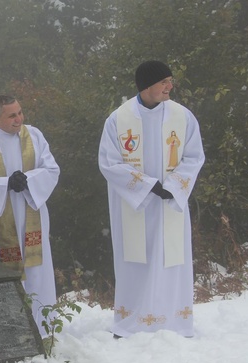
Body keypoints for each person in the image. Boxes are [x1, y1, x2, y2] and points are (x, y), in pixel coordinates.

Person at [98, 60, 205, 337]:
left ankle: (174, 322)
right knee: (137, 260)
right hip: (134, 206)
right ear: (147, 86)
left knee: (171, 260)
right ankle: (130, 322)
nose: (170, 86)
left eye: (170, 81)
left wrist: (175, 185)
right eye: (164, 82)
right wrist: (146, 186)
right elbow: (109, 163)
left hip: (171, 203)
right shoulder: (118, 120)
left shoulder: (183, 117)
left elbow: (194, 156)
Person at [0, 95, 60, 336]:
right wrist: (5, 184)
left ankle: (41, 327)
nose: (19, 119)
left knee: (36, 272)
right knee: (1, 270)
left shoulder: (34, 136)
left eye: (20, 112)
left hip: (30, 215)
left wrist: (28, 180)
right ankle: (6, 331)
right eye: (12, 115)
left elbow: (51, 169)